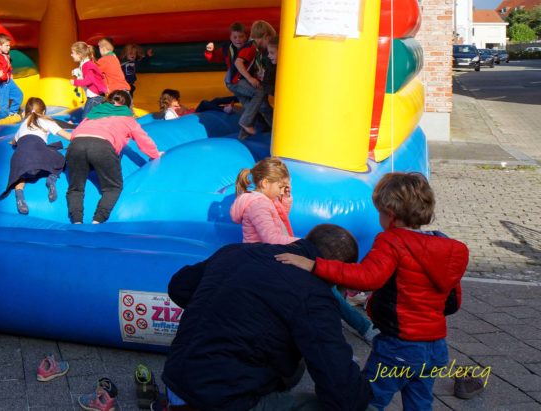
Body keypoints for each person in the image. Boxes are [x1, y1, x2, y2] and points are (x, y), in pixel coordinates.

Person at [276, 173, 469, 410]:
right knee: (420, 402)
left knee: (367, 400)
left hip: (400, 346)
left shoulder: (392, 241)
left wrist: (315, 265)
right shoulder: (446, 247)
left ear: (390, 213)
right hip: (435, 348)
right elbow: (453, 302)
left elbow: (367, 277)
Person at [162, 224, 372, 410]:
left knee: (294, 359)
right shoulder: (314, 295)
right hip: (221, 400)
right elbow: (343, 392)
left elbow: (179, 287)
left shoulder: (236, 251)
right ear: (337, 271)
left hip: (176, 383)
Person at [232, 158, 375, 343]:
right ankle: (360, 327)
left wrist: (285, 198)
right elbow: (271, 238)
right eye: (281, 187)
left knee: (325, 284)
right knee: (322, 285)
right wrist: (305, 244)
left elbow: (279, 218)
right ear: (265, 183)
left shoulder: (265, 200)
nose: (282, 190)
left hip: (271, 255)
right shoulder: (259, 205)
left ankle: (346, 318)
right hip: (265, 261)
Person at [65, 90, 160, 224]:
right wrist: (155, 154)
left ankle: (76, 221)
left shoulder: (93, 113)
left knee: (75, 188)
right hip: (102, 146)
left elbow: (75, 133)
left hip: (76, 144)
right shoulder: (127, 119)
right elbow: (143, 139)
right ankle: (98, 220)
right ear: (127, 106)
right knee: (113, 188)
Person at [0, 97, 71, 214]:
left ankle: (20, 196)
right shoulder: (47, 121)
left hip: (20, 158)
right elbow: (68, 136)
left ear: (26, 112)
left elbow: (14, 141)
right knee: (60, 159)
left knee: (19, 175)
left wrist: (11, 142)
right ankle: (51, 179)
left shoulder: (23, 124)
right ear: (43, 112)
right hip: (39, 155)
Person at [205, 22, 259, 124]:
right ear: (230, 37)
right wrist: (209, 51)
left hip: (243, 81)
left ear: (246, 36)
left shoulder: (249, 47)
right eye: (235, 37)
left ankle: (253, 124)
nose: (238, 39)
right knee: (255, 102)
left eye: (241, 36)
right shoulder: (227, 48)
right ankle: (250, 123)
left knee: (251, 105)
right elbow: (214, 57)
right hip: (235, 81)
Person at [238, 24, 276, 139]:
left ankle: (244, 136)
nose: (269, 53)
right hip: (244, 82)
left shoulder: (256, 48)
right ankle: (276, 130)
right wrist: (251, 78)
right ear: (266, 37)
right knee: (261, 105)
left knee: (253, 107)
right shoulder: (253, 48)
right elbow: (239, 63)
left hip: (243, 83)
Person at [0, 33, 23, 118]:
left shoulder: (5, 54)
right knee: (3, 110)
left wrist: (10, 73)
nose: (9, 47)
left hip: (8, 81)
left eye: (9, 45)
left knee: (19, 95)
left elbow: (8, 66)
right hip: (0, 84)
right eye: (7, 45)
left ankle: (12, 112)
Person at [70, 41, 107, 119]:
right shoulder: (85, 64)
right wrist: (77, 72)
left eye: (73, 53)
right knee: (94, 118)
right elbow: (89, 76)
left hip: (95, 97)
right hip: (95, 97)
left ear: (79, 54)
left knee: (86, 119)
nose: (71, 55)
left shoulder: (86, 65)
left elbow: (88, 80)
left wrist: (75, 82)